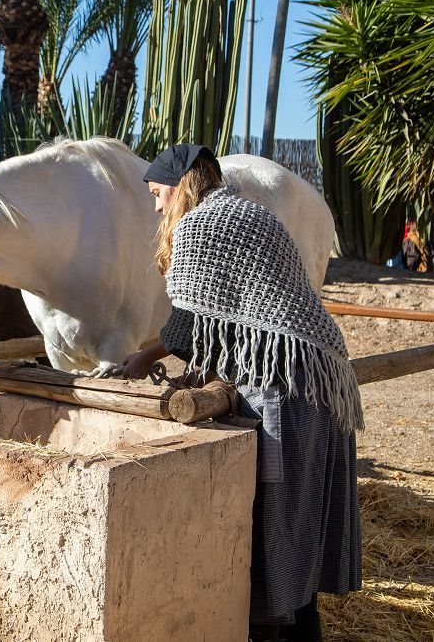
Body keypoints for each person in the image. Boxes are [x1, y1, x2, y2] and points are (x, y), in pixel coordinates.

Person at [120, 144, 363, 642]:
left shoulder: (200, 225)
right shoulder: (250, 213)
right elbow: (235, 316)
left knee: (272, 530)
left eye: (159, 193)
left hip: (283, 391)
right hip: (320, 380)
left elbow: (189, 330)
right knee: (301, 529)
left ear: (181, 185)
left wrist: (139, 361)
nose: (157, 207)